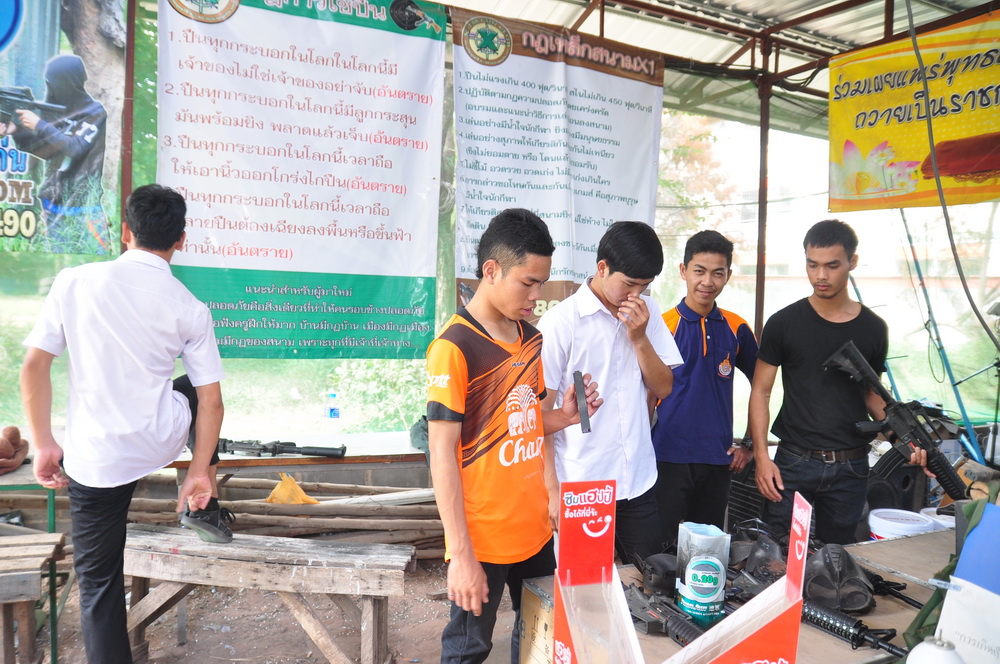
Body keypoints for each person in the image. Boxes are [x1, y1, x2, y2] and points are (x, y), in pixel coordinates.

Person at [20, 184, 230, 664]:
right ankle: (204, 500)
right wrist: (200, 469)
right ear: (181, 239)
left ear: (125, 232)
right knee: (194, 388)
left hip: (95, 459)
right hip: (159, 438)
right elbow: (212, 402)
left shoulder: (74, 281)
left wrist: (44, 443)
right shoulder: (191, 307)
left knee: (99, 585)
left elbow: (34, 366)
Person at [426, 208, 601, 664]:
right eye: (528, 283)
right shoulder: (455, 346)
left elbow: (527, 422)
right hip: (483, 540)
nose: (536, 296)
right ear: (491, 271)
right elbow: (441, 456)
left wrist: (564, 418)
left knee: (540, 642)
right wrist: (460, 554)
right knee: (468, 649)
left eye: (542, 283)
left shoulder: (531, 339)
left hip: (535, 533)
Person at [749, 219, 926, 545]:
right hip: (793, 461)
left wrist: (904, 438)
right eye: (812, 265)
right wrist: (762, 457)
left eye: (832, 266)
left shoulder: (873, 328)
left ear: (852, 262)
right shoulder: (783, 323)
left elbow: (872, 394)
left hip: (851, 466)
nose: (821, 275)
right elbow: (760, 391)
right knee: (776, 555)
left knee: (837, 558)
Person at [538, 221, 681, 566]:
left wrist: (639, 338)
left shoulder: (648, 313)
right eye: (629, 284)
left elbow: (664, 387)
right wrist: (552, 491)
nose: (636, 295)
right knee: (584, 587)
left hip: (637, 480)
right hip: (582, 486)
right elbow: (539, 418)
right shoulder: (561, 323)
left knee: (650, 582)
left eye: (645, 286)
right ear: (602, 268)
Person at [651, 230, 758, 548]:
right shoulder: (662, 327)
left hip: (717, 460)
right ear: (683, 271)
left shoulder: (737, 328)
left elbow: (762, 386)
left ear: (728, 275)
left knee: (706, 552)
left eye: (717, 273)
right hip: (666, 456)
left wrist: (749, 444)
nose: (707, 281)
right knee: (660, 550)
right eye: (699, 271)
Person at [6, 54, 110, 253]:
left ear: (69, 82)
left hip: (85, 208)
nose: (50, 88)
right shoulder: (53, 108)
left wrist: (39, 124)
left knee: (97, 259)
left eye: (54, 83)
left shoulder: (94, 111)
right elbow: (44, 151)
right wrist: (16, 131)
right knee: (56, 261)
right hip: (52, 204)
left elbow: (75, 148)